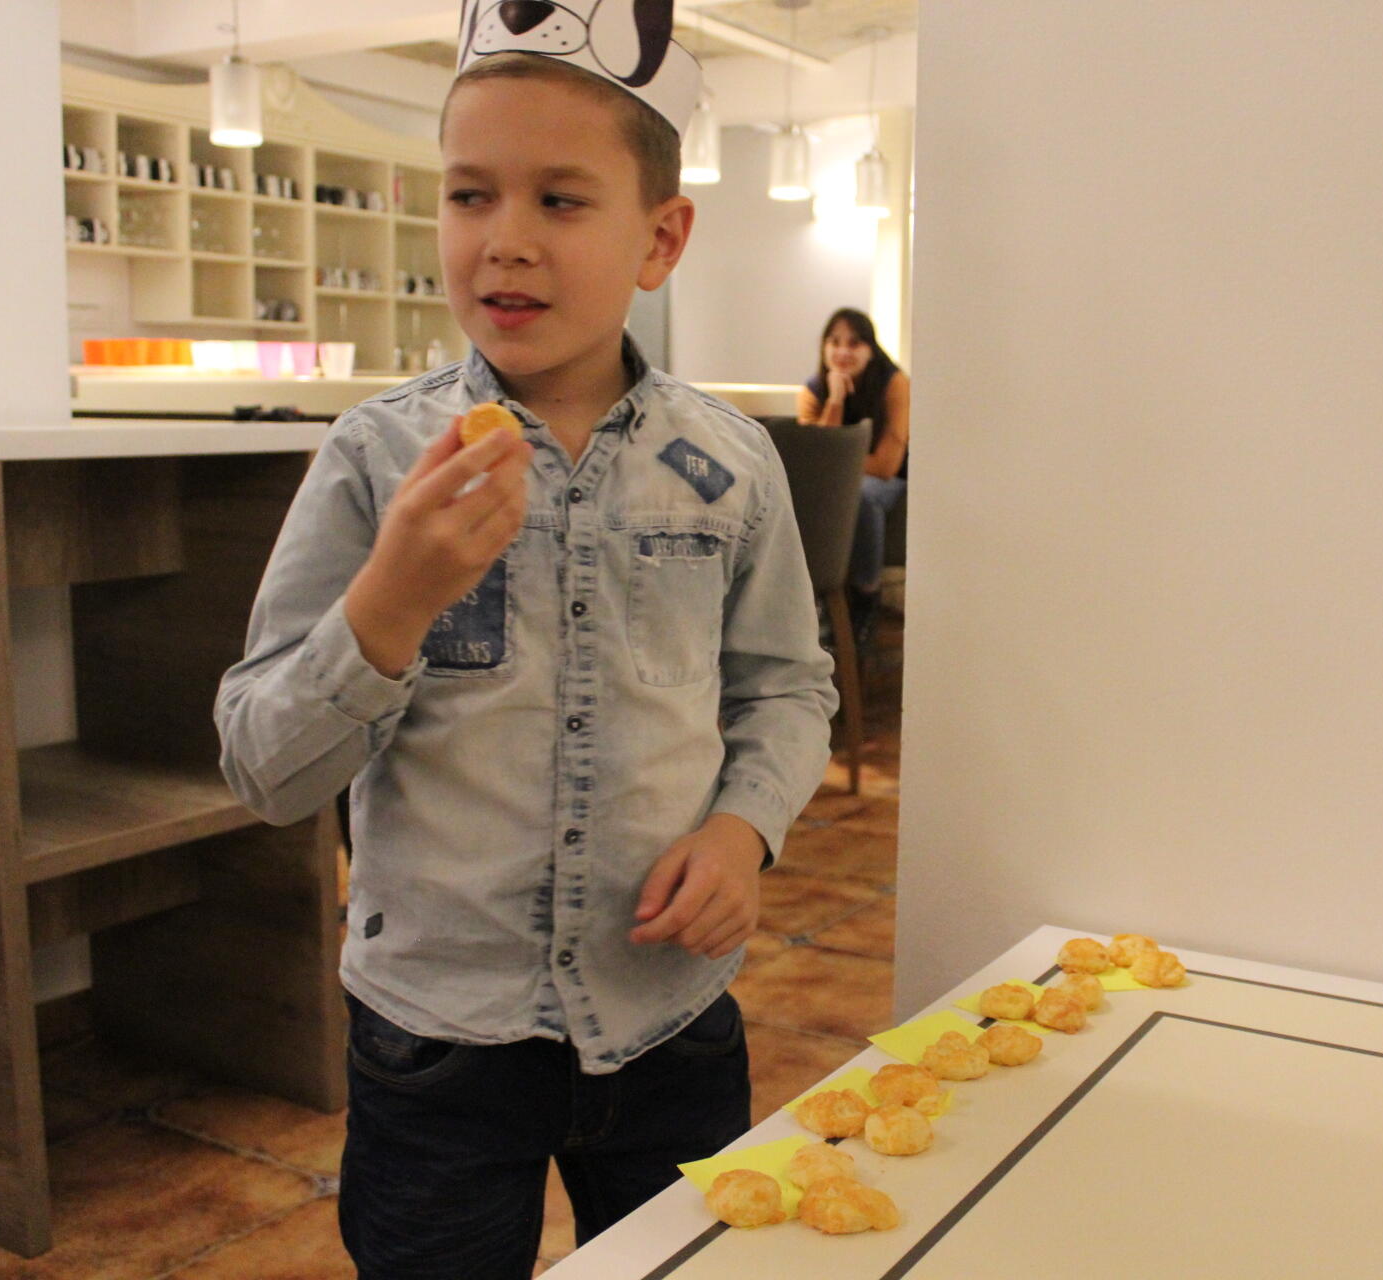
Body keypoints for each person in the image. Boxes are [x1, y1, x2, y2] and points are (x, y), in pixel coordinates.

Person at [214, 25, 837, 1280]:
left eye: (559, 199)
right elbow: (264, 767)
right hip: (437, 1038)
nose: (505, 238)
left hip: (668, 1015)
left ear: (661, 238)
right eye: (469, 195)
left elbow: (785, 684)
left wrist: (743, 830)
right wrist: (389, 603)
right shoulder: (377, 460)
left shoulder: (729, 464)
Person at [794, 307, 911, 648]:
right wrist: (835, 400)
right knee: (804, 493)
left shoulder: (894, 383)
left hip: (890, 481)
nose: (843, 351)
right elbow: (817, 459)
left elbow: (886, 466)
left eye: (854, 343)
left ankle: (867, 595)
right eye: (835, 342)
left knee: (862, 494)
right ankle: (814, 602)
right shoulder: (814, 390)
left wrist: (840, 461)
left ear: (871, 349)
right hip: (836, 481)